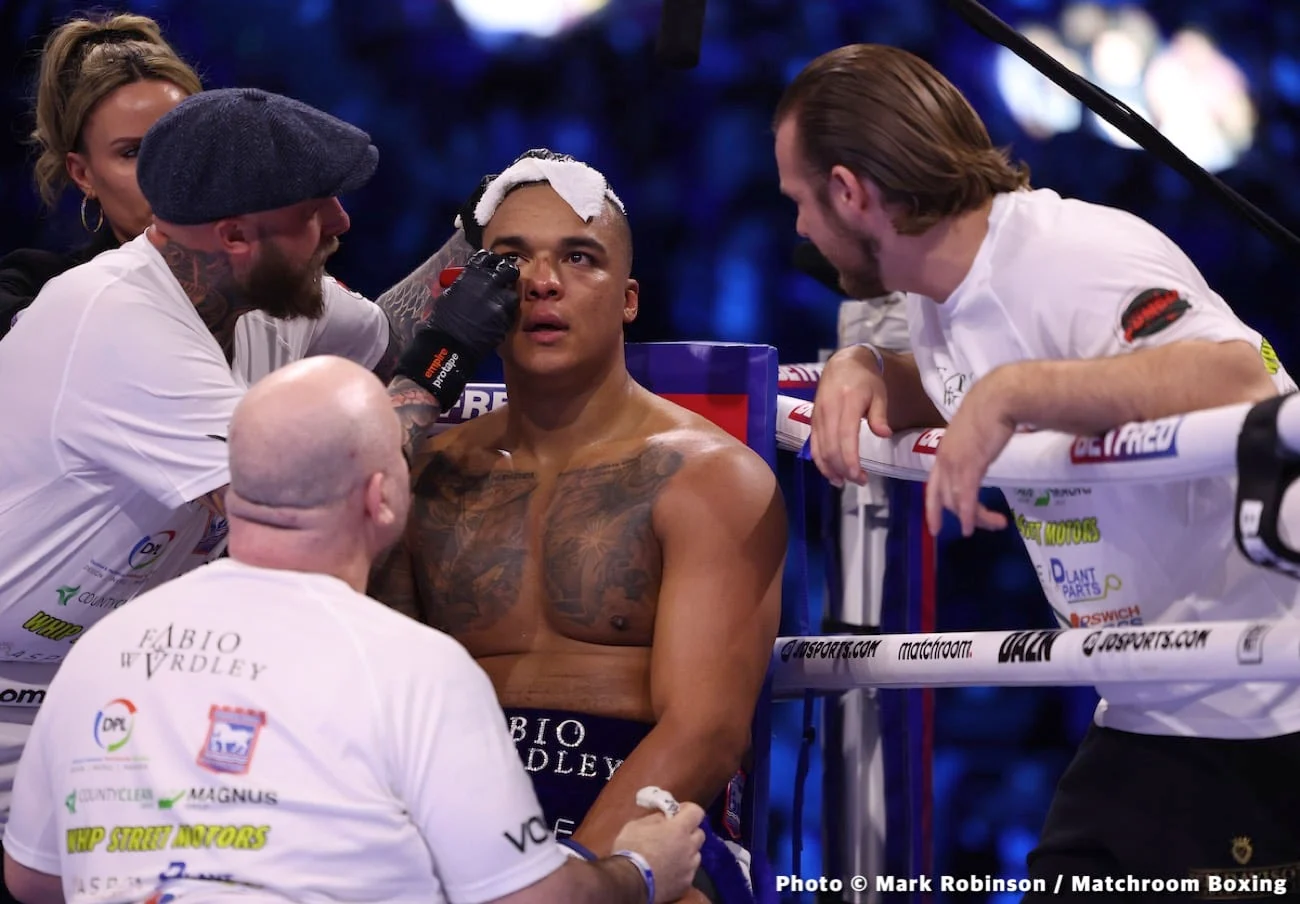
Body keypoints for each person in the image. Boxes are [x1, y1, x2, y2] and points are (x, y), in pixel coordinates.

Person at [774, 43, 1300, 896]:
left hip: (1263, 706)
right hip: (1147, 707)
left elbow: (1237, 378)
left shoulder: (1072, 255)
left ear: (848, 192)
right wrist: (865, 366)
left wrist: (1019, 391)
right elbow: (961, 386)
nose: (797, 227)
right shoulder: (942, 293)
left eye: (798, 198)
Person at [2, 354, 705, 904]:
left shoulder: (103, 649)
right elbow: (528, 900)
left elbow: (32, 878)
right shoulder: (411, 667)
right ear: (381, 495)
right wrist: (640, 870)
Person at [0, 88, 518, 826]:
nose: (341, 222)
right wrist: (442, 365)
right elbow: (318, 511)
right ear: (237, 235)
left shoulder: (263, 296)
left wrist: (468, 239)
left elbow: (383, 338)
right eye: (315, 209)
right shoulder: (117, 324)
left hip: (104, 682)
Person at [371, 150, 788, 903]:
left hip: (639, 813)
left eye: (579, 257)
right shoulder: (427, 473)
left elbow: (705, 731)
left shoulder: (709, 477)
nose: (542, 282)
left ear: (628, 299)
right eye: (510, 260)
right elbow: (386, 700)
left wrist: (587, 880)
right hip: (463, 810)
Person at [1, 11, 398, 397]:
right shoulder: (39, 298)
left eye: (184, 144)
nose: (172, 172)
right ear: (83, 174)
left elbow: (391, 341)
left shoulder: (263, 273)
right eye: (134, 152)